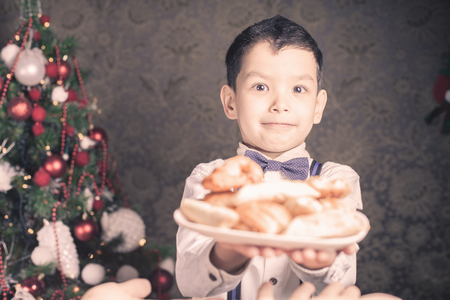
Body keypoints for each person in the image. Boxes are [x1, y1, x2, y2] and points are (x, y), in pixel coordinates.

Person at [176, 15, 363, 300]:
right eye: (260, 87)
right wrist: (229, 249)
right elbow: (189, 283)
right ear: (231, 102)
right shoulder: (208, 180)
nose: (280, 105)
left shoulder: (337, 181)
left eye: (298, 89)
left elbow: (344, 281)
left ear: (318, 106)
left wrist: (319, 261)